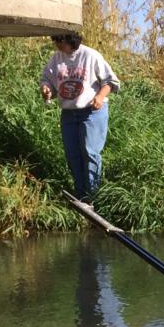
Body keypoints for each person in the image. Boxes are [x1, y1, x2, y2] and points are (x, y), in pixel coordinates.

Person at [39, 32, 121, 202]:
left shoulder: (90, 55)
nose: (56, 44)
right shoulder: (56, 58)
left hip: (92, 112)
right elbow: (46, 79)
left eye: (59, 40)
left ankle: (92, 196)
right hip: (69, 113)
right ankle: (80, 194)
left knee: (90, 153)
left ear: (70, 39)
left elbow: (110, 81)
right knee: (72, 154)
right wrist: (46, 89)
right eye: (55, 40)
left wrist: (100, 97)